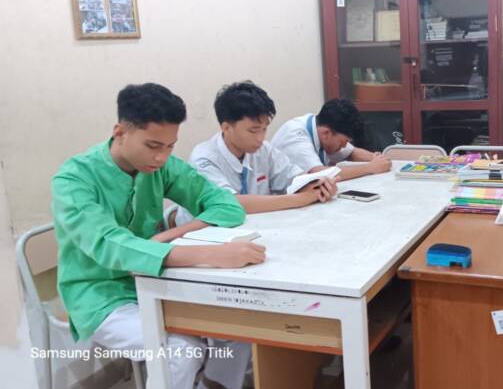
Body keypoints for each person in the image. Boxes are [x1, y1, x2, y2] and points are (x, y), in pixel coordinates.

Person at [52, 83, 264, 389]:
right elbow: (111, 245)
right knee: (181, 351)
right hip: (100, 294)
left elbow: (227, 206)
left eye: (170, 146)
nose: (162, 157)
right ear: (120, 133)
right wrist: (212, 254)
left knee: (238, 324)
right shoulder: (74, 179)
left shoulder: (159, 167)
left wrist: (171, 234)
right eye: (153, 146)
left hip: (158, 280)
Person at [174, 82, 336, 228]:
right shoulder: (204, 158)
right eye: (253, 131)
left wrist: (317, 185)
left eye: (264, 129)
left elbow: (294, 178)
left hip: (252, 228)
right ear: (226, 128)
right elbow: (231, 204)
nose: (260, 138)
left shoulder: (264, 150)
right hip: (204, 235)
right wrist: (301, 199)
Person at [270, 98, 391, 181]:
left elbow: (352, 152)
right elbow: (319, 174)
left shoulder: (321, 126)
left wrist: (377, 159)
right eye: (343, 142)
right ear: (326, 133)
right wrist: (371, 168)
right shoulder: (296, 137)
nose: (344, 146)